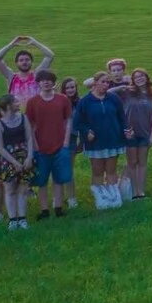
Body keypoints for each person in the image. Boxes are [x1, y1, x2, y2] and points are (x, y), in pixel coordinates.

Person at [72, 73, 128, 210]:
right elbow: (77, 122)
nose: (106, 85)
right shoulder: (85, 101)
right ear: (95, 83)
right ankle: (101, 197)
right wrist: (86, 132)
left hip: (113, 139)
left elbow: (122, 117)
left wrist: (126, 130)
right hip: (95, 142)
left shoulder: (113, 99)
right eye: (103, 82)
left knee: (111, 169)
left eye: (108, 82)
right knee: (97, 171)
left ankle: (114, 197)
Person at [23, 70, 73, 220]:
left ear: (53, 83)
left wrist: (65, 142)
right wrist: (35, 145)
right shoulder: (32, 102)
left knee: (60, 178)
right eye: (43, 80)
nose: (46, 83)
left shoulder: (63, 99)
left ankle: (58, 207)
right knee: (41, 180)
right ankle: (44, 210)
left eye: (49, 80)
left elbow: (68, 120)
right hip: (41, 147)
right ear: (38, 83)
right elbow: (29, 125)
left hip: (60, 145)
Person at [0, 93, 34, 229]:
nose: (18, 103)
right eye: (15, 102)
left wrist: (30, 157)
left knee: (23, 189)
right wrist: (15, 163)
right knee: (9, 189)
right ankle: (12, 219)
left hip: (24, 156)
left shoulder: (23, 118)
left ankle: (22, 218)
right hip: (8, 159)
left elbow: (29, 138)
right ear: (8, 106)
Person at [122, 67, 152, 199]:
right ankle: (132, 192)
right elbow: (110, 92)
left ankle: (141, 191)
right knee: (132, 161)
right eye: (136, 77)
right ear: (133, 80)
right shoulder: (128, 93)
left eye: (141, 76)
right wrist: (124, 86)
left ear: (146, 78)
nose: (139, 79)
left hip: (145, 133)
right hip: (130, 133)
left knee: (142, 163)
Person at [0, 35, 54, 106]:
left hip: (34, 114)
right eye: (21, 60)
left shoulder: (36, 75)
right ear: (16, 63)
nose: (24, 62)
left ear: (31, 62)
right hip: (16, 114)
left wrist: (35, 43)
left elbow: (50, 56)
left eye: (27, 60)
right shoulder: (11, 77)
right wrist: (11, 45)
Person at [58, 76, 83, 209]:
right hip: (57, 138)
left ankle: (72, 198)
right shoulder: (58, 102)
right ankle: (59, 198)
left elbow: (83, 122)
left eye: (72, 87)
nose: (70, 90)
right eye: (67, 87)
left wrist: (82, 141)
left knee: (68, 169)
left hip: (72, 137)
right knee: (58, 169)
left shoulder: (79, 103)